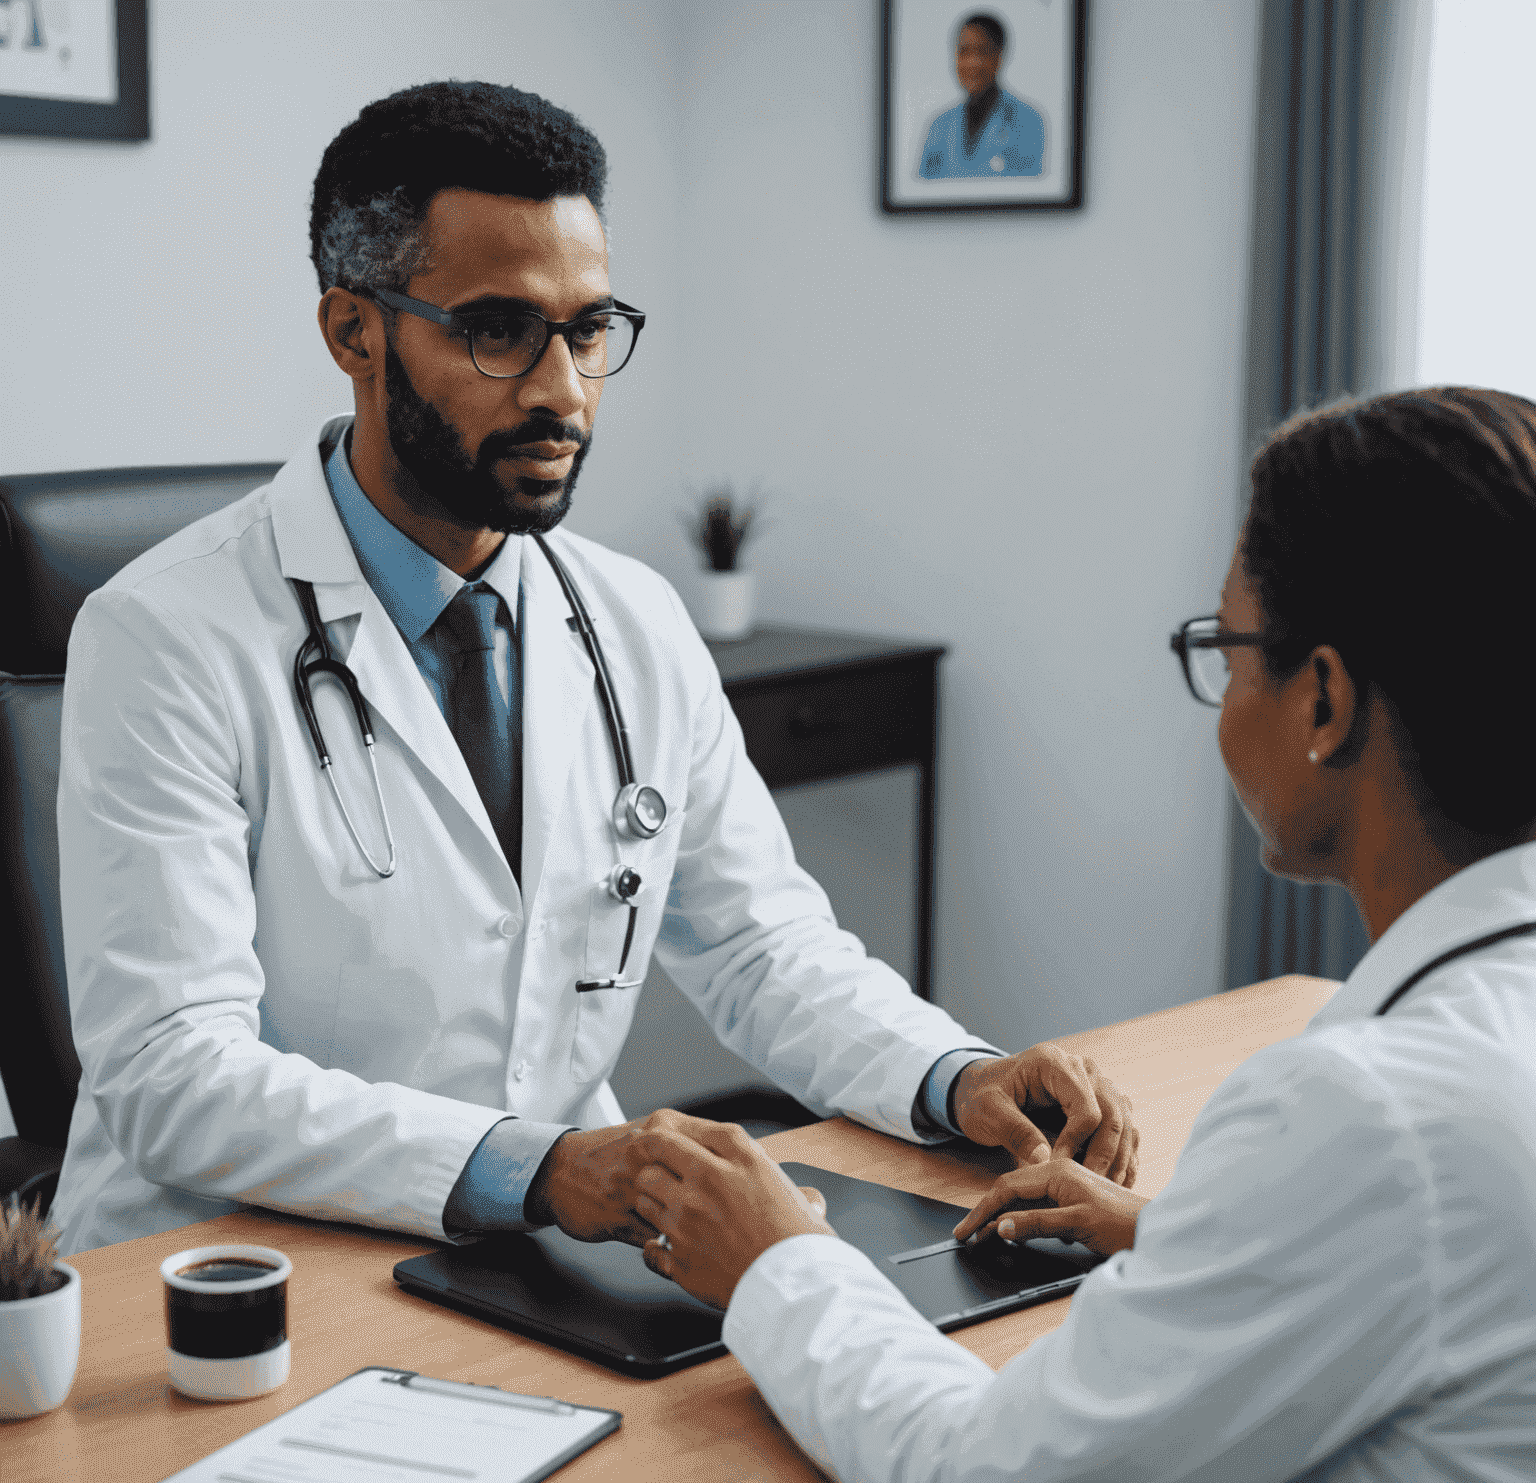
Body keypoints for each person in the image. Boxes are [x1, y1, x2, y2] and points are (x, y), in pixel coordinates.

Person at [49, 80, 1139, 1257]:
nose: (564, 389)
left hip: (536, 1259)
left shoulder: (632, 619)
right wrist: (543, 1164)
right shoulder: (163, 635)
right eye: (499, 330)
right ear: (353, 332)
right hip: (221, 1278)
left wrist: (952, 1074)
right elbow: (172, 1072)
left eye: (587, 328)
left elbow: (761, 946)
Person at [630, 388, 1536, 1483]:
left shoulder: (1369, 1113)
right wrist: (1186, 1240)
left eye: (1226, 646)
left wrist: (775, 1261)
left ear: (1323, 699)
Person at [918, 13, 1045, 180]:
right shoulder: (939, 127)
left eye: (982, 52)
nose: (972, 62)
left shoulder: (1027, 121)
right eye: (964, 52)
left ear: (999, 56)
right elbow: (922, 196)